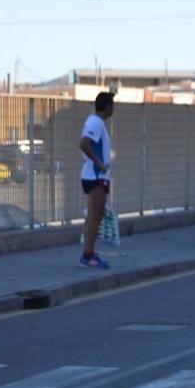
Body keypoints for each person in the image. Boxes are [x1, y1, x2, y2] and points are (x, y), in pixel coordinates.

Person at [78, 91, 115, 269]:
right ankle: (88, 255)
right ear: (107, 106)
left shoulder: (96, 123)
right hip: (96, 177)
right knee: (94, 215)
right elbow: (84, 143)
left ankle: (89, 251)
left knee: (96, 215)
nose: (113, 108)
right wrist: (100, 164)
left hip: (96, 176)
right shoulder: (96, 122)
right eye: (112, 104)